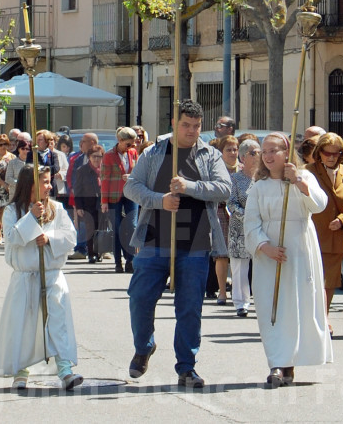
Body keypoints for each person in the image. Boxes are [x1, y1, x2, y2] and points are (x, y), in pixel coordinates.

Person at [124, 99, 230, 388]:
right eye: (186, 125)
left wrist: (190, 187)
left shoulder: (209, 155)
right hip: (154, 240)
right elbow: (131, 186)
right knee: (140, 298)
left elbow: (224, 189)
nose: (191, 131)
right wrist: (160, 200)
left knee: (189, 308)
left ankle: (186, 367)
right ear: (174, 123)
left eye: (196, 126)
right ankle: (143, 347)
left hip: (195, 243)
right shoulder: (155, 152)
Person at [245, 132, 333, 387]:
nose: (269, 156)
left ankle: (290, 363)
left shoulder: (304, 177)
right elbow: (251, 222)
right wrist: (265, 247)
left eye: (275, 150)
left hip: (299, 250)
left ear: (286, 153)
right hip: (269, 256)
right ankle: (276, 363)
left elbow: (320, 204)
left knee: (296, 306)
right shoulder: (258, 187)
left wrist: (297, 182)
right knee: (273, 309)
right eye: (265, 151)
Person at [0, 166, 82, 391]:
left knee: (57, 321)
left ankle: (65, 369)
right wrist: (31, 217)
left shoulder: (57, 208)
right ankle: (21, 371)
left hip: (52, 275)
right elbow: (12, 237)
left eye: (49, 181)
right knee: (25, 324)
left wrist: (50, 238)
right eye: (44, 181)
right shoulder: (14, 209)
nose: (49, 186)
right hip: (25, 277)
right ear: (30, 185)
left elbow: (71, 238)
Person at [307, 132, 343, 323]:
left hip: (336, 236)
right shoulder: (308, 172)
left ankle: (323, 317)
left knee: (330, 281)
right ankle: (310, 318)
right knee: (311, 281)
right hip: (311, 234)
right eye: (327, 153)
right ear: (319, 152)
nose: (331, 157)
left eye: (335, 153)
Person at [227, 138, 259, 317]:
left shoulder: (264, 178)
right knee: (240, 267)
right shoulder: (235, 179)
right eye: (253, 153)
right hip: (240, 230)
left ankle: (262, 299)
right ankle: (241, 303)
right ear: (243, 157)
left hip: (261, 229)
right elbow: (231, 203)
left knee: (262, 265)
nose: (257, 156)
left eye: (259, 152)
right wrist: (247, 217)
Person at [100, 127, 139, 274]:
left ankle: (130, 259)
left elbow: (137, 172)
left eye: (133, 144)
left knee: (132, 226)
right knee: (117, 228)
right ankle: (118, 262)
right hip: (114, 196)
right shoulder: (109, 156)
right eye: (128, 144)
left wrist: (132, 177)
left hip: (131, 195)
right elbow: (104, 179)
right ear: (120, 141)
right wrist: (104, 201)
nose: (131, 147)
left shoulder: (133, 153)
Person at [209, 136, 239, 304]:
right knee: (221, 254)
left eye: (235, 149)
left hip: (239, 215)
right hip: (220, 212)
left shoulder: (243, 169)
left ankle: (237, 289)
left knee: (238, 254)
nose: (233, 153)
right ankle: (222, 291)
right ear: (221, 152)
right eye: (229, 149)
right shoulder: (216, 170)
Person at [72, 145, 104, 263]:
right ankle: (91, 254)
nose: (96, 159)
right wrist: (79, 207)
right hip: (87, 204)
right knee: (91, 229)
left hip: (102, 203)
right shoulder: (82, 170)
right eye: (94, 156)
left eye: (99, 156)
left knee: (101, 229)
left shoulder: (105, 169)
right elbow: (77, 189)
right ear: (89, 157)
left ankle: (99, 252)